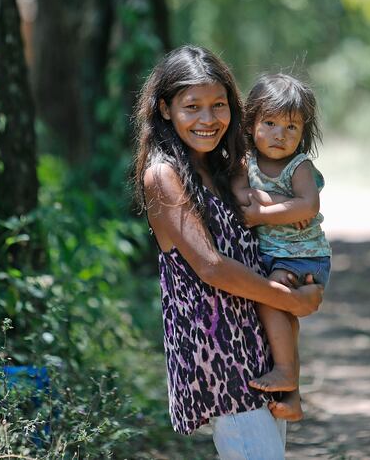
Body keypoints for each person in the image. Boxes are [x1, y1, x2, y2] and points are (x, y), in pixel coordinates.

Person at [131, 46, 323, 459]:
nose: (208, 119)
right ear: (165, 109)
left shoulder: (224, 166)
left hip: (256, 343)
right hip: (220, 347)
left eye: (218, 105)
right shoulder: (163, 175)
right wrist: (292, 301)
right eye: (192, 107)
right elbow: (211, 267)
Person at [232, 73, 332, 421]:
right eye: (270, 123)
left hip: (303, 256)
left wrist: (262, 215)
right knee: (284, 316)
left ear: (304, 132)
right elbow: (239, 195)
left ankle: (287, 374)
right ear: (251, 124)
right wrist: (276, 204)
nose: (279, 134)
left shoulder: (298, 165)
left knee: (271, 301)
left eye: (291, 127)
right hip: (281, 255)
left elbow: (309, 206)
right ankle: (292, 397)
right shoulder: (246, 162)